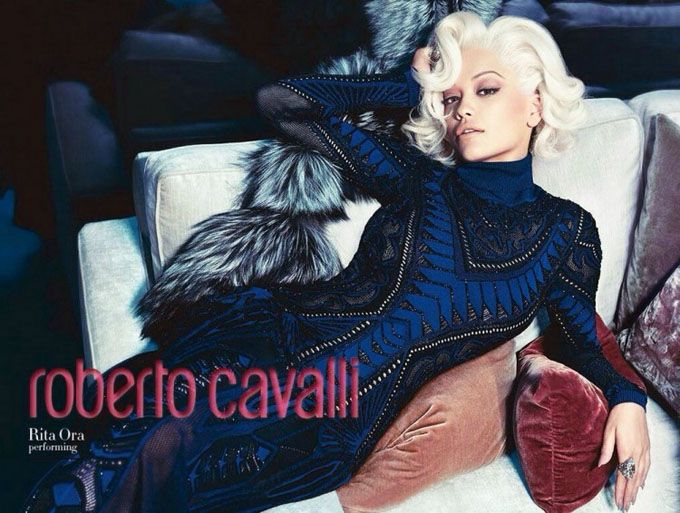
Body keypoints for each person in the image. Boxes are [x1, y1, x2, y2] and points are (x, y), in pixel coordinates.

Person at [23, 11, 650, 513]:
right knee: (131, 439)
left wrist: (629, 401)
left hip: (332, 423)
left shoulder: (566, 232)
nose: (464, 109)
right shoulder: (418, 179)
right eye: (453, 97)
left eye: (486, 91)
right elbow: (284, 102)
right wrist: (408, 85)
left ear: (536, 103)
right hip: (269, 337)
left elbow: (581, 334)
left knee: (170, 446)